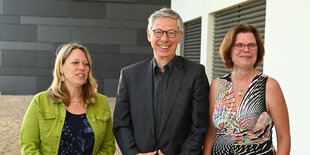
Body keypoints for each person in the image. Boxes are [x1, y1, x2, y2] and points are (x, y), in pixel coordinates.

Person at [113, 8, 210, 155]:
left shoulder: (195, 73)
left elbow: (199, 126)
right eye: (158, 32)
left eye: (171, 32)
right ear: (149, 35)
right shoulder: (129, 75)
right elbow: (121, 124)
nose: (164, 39)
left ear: (180, 37)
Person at [203, 23, 291, 155]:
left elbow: (284, 137)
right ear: (229, 49)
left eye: (252, 45)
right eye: (239, 45)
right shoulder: (217, 85)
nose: (246, 50)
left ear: (258, 49)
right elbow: (211, 131)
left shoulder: (269, 86)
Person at [19, 43, 115, 155]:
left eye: (85, 64)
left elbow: (108, 146)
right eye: (75, 63)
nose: (82, 67)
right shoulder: (41, 100)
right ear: (61, 68)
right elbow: (28, 145)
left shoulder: (101, 101)